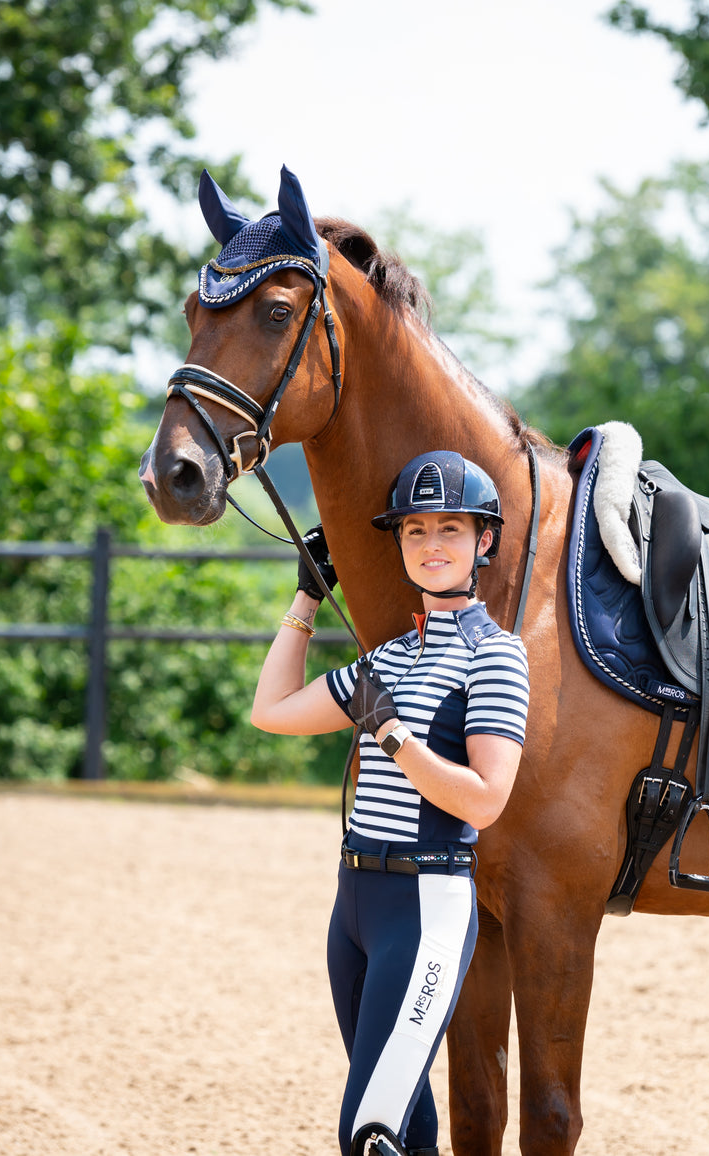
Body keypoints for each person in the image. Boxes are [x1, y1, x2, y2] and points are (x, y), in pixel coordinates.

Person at [251, 450, 530, 1156]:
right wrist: (305, 599)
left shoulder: (496, 656)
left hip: (425, 907)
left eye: (449, 530)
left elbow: (487, 801)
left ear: (483, 541)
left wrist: (391, 732)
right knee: (406, 1127)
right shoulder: (391, 657)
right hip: (352, 909)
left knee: (367, 1131)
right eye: (414, 532)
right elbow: (273, 709)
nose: (431, 546)